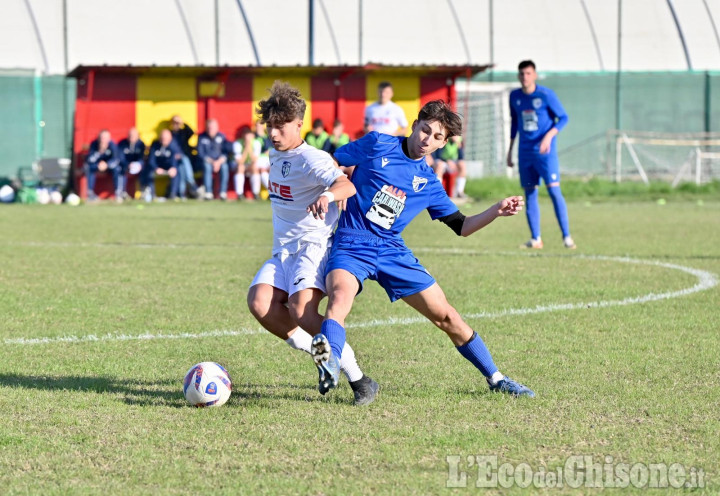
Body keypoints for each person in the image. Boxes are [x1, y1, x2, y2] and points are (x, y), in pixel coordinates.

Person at [310, 100, 535, 398]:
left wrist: (495, 210)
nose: (427, 140)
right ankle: (330, 363)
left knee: (447, 317)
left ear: (443, 143)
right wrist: (338, 186)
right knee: (339, 299)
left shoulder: (428, 182)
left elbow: (462, 226)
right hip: (352, 242)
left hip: (392, 251)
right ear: (415, 125)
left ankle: (497, 378)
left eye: (437, 137)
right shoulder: (378, 143)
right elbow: (330, 161)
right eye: (425, 130)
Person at [246, 81, 379, 406]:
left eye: (280, 127)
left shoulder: (311, 158)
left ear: (298, 124)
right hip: (284, 250)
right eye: (269, 127)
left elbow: (345, 184)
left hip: (314, 247)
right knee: (260, 303)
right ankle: (322, 356)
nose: (273, 134)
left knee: (303, 312)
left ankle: (360, 381)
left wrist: (327, 194)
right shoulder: (275, 154)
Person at [506, 60, 575, 249]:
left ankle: (567, 237)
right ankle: (536, 238)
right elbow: (514, 124)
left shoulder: (545, 95)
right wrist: (510, 150)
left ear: (534, 75)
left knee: (554, 190)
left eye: (528, 73)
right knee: (529, 194)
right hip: (525, 153)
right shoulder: (515, 97)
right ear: (518, 76)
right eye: (522, 74)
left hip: (545, 154)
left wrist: (549, 136)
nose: (525, 77)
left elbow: (563, 118)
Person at [84, 129, 121, 201]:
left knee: (117, 169)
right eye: (102, 137)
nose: (103, 140)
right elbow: (89, 159)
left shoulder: (112, 145)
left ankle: (118, 192)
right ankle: (90, 193)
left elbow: (116, 159)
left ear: (109, 138)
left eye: (105, 138)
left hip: (109, 166)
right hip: (97, 165)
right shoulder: (94, 144)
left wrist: (106, 164)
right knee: (89, 168)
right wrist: (100, 152)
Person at [198, 119, 229, 201]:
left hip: (220, 162)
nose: (210, 129)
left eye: (212, 127)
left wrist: (218, 162)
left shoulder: (222, 137)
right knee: (207, 166)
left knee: (225, 167)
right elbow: (201, 153)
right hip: (207, 161)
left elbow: (226, 152)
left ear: (217, 128)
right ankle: (208, 193)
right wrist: (213, 162)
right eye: (209, 127)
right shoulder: (201, 137)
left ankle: (223, 193)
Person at [145, 129, 180, 201]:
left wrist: (173, 168)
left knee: (177, 173)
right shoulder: (155, 145)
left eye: (166, 139)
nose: (164, 141)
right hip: (157, 167)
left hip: (168, 167)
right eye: (163, 139)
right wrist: (156, 168)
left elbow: (175, 158)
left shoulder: (173, 145)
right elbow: (151, 159)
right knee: (148, 172)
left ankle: (173, 194)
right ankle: (152, 195)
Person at [170, 115, 200, 199]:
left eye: (177, 123)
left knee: (182, 168)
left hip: (186, 158)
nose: (176, 125)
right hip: (173, 159)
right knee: (182, 165)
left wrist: (183, 123)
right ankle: (192, 184)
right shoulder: (170, 134)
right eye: (174, 123)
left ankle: (181, 193)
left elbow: (191, 132)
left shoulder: (183, 132)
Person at [117, 127, 146, 201]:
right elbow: (120, 158)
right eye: (130, 135)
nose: (131, 137)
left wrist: (138, 164)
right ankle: (122, 192)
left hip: (138, 166)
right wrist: (128, 164)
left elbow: (142, 158)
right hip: (126, 165)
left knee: (145, 170)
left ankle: (143, 192)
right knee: (119, 169)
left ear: (138, 136)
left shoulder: (141, 144)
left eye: (133, 136)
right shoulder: (122, 144)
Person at [232, 126, 256, 199]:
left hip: (250, 164)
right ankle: (239, 194)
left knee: (254, 167)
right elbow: (240, 161)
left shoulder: (256, 143)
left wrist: (249, 147)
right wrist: (246, 148)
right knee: (240, 167)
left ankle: (256, 193)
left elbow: (254, 160)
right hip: (238, 164)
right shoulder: (237, 143)